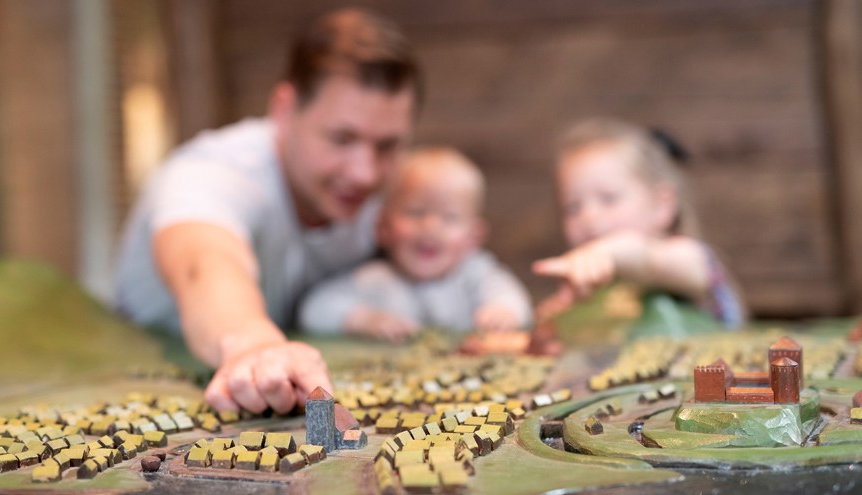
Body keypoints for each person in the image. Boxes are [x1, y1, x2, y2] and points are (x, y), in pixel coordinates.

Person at [112, 8, 421, 415]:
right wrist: (253, 344)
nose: (365, 173)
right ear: (284, 109)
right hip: (132, 380)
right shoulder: (212, 172)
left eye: (387, 146)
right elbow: (205, 263)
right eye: (342, 138)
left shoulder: (376, 200)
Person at [298, 147, 533, 341]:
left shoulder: (476, 273)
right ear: (383, 228)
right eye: (415, 213)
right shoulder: (375, 279)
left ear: (473, 238)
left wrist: (503, 312)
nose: (430, 228)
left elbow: (514, 299)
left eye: (449, 217)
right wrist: (364, 319)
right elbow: (313, 310)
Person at [532, 118, 744, 329]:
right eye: (573, 207)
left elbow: (645, 259)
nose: (589, 216)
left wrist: (605, 254)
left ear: (662, 205)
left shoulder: (687, 258)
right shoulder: (594, 289)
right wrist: (560, 323)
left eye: (609, 198)